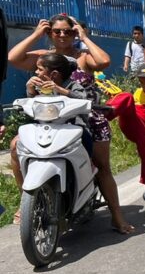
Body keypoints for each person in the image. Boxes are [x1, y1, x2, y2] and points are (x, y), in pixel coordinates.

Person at [7, 14, 135, 233]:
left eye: (68, 31)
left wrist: (84, 37)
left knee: (102, 166)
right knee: (15, 147)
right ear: (49, 33)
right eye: (56, 31)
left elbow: (104, 61)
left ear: (74, 33)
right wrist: (36, 34)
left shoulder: (82, 57)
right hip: (49, 120)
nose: (62, 35)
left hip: (87, 118)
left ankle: (117, 216)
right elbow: (13, 58)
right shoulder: (43, 58)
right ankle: (29, 202)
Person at [9, 53, 94, 197]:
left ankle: (85, 178)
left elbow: (84, 99)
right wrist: (30, 90)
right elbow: (32, 106)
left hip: (72, 128)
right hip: (44, 129)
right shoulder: (39, 86)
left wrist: (60, 90)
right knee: (14, 145)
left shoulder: (73, 85)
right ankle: (24, 194)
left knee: (85, 143)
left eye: (40, 69)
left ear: (54, 74)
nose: (36, 72)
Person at [107, 64, 145, 209]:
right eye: (141, 81)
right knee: (125, 96)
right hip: (135, 125)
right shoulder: (137, 94)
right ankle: (102, 114)